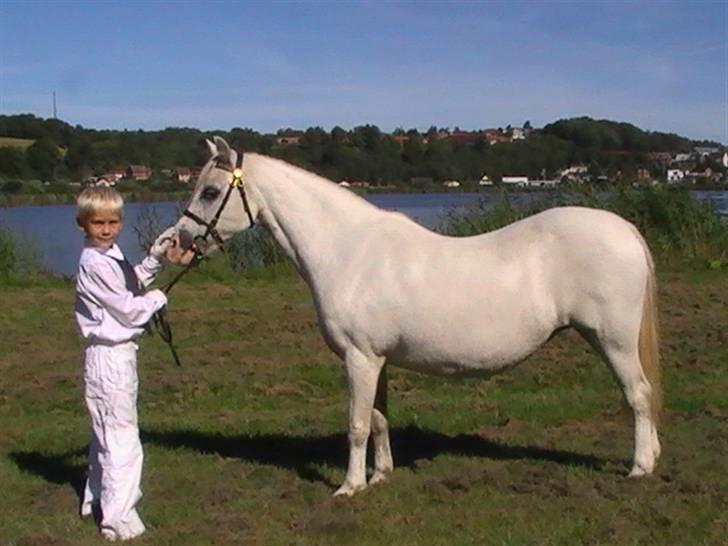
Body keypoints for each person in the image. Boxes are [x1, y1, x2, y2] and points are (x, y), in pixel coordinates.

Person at [73, 187, 188, 541]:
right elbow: (128, 306)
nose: (106, 229)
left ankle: (95, 498)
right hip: (110, 356)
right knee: (122, 438)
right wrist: (157, 297)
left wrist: (156, 258)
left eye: (113, 222)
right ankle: (117, 519)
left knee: (105, 433)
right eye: (98, 223)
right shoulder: (93, 262)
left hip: (116, 355)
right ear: (83, 225)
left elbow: (129, 280)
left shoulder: (109, 255)